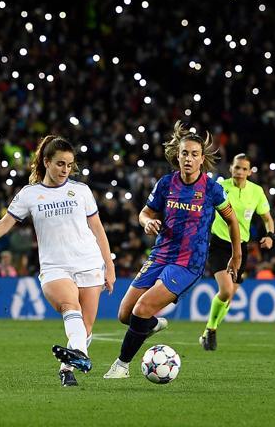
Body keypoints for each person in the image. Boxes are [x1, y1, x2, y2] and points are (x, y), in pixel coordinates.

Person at [0, 135, 116, 387]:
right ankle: (81, 356)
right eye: (60, 163)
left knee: (86, 325)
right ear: (47, 162)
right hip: (54, 267)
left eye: (70, 165)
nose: (65, 170)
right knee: (69, 306)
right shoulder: (30, 194)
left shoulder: (81, 191)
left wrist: (109, 265)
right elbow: (3, 225)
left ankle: (68, 367)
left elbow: (97, 228)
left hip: (89, 262)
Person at [103, 122, 241, 379]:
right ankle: (154, 325)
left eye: (194, 154)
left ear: (202, 159)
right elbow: (144, 213)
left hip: (189, 262)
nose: (188, 158)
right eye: (184, 153)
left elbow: (232, 221)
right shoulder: (166, 184)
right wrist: (148, 222)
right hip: (160, 254)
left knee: (142, 309)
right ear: (176, 156)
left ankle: (121, 365)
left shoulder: (212, 189)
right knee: (125, 314)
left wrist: (237, 255)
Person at [199, 153, 274, 350]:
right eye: (237, 167)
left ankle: (209, 330)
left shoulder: (256, 192)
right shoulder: (221, 187)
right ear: (231, 168)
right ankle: (212, 330)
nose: (240, 172)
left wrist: (270, 235)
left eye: (244, 169)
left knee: (230, 296)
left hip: (241, 247)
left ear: (249, 172)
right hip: (219, 245)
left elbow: (267, 218)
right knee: (226, 290)